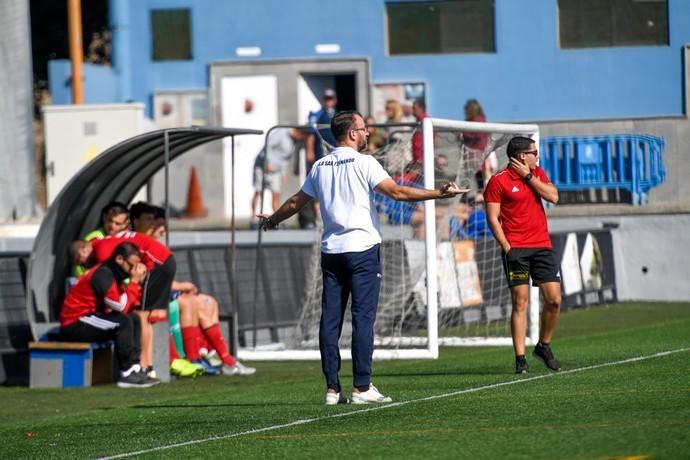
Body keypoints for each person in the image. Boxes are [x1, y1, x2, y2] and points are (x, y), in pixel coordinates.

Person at [257, 110, 468, 405]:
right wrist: (438, 193)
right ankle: (362, 386)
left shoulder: (320, 165)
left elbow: (295, 201)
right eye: (364, 128)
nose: (368, 133)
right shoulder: (364, 162)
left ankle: (332, 388)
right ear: (352, 133)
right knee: (363, 318)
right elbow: (396, 193)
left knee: (329, 321)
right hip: (362, 250)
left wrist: (272, 220)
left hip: (332, 252)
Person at [484, 136, 562, 374]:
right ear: (522, 156)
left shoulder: (536, 173)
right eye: (534, 152)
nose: (537, 156)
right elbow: (493, 219)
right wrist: (508, 248)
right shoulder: (498, 181)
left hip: (542, 246)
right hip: (516, 249)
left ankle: (543, 346)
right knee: (521, 302)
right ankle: (520, 359)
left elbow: (553, 197)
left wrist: (529, 177)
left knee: (554, 300)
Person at [59, 242, 160, 388]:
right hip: (75, 323)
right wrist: (134, 282)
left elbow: (124, 304)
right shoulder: (103, 274)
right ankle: (126, 373)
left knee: (134, 318)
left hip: (90, 318)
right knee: (123, 322)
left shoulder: (114, 273)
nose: (134, 269)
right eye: (132, 265)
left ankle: (135, 367)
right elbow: (119, 306)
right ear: (119, 259)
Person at [251, 128, 304, 220]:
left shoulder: (293, 142)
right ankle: (253, 217)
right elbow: (268, 145)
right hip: (262, 166)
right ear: (298, 132)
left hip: (276, 170)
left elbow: (286, 159)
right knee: (258, 191)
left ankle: (276, 219)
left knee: (276, 194)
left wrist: (283, 174)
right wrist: (268, 162)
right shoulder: (282, 132)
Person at [462, 99, 495, 189]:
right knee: (478, 173)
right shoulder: (481, 120)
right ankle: (477, 192)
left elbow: (476, 135)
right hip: (476, 151)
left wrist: (463, 134)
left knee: (480, 172)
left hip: (478, 151)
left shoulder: (477, 121)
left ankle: (480, 192)